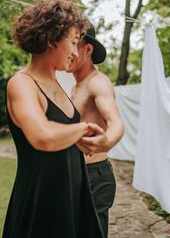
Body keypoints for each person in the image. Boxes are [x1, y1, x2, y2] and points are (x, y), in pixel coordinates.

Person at [3, 0, 104, 238]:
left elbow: (62, 135)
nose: (74, 51)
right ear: (51, 40)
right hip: (42, 204)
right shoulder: (22, 84)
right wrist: (83, 129)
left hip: (72, 199)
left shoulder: (58, 84)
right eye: (72, 42)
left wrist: (81, 139)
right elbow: (43, 137)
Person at [68, 23, 124, 238]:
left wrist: (108, 140)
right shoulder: (76, 85)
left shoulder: (98, 83)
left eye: (74, 44)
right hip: (78, 174)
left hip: (95, 176)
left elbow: (115, 122)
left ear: (88, 49)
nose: (69, 52)